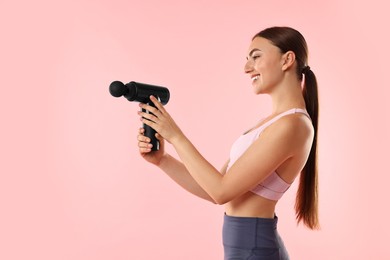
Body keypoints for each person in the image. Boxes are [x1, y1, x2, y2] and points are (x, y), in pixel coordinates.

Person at [136, 26, 319, 260]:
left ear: (287, 60)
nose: (246, 68)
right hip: (244, 247)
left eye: (256, 56)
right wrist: (163, 160)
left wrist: (175, 136)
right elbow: (212, 188)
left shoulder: (293, 125)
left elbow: (220, 191)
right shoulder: (271, 124)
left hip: (255, 249)